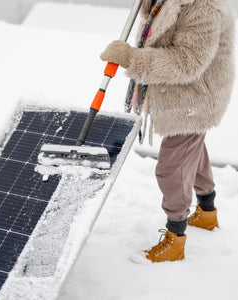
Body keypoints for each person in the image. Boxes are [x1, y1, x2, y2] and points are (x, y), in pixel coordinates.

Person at [100, 0, 235, 262]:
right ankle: (207, 212)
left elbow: (187, 62)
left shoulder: (206, 7)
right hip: (183, 92)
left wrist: (131, 58)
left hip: (196, 97)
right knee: (191, 152)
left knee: (171, 168)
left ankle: (176, 238)